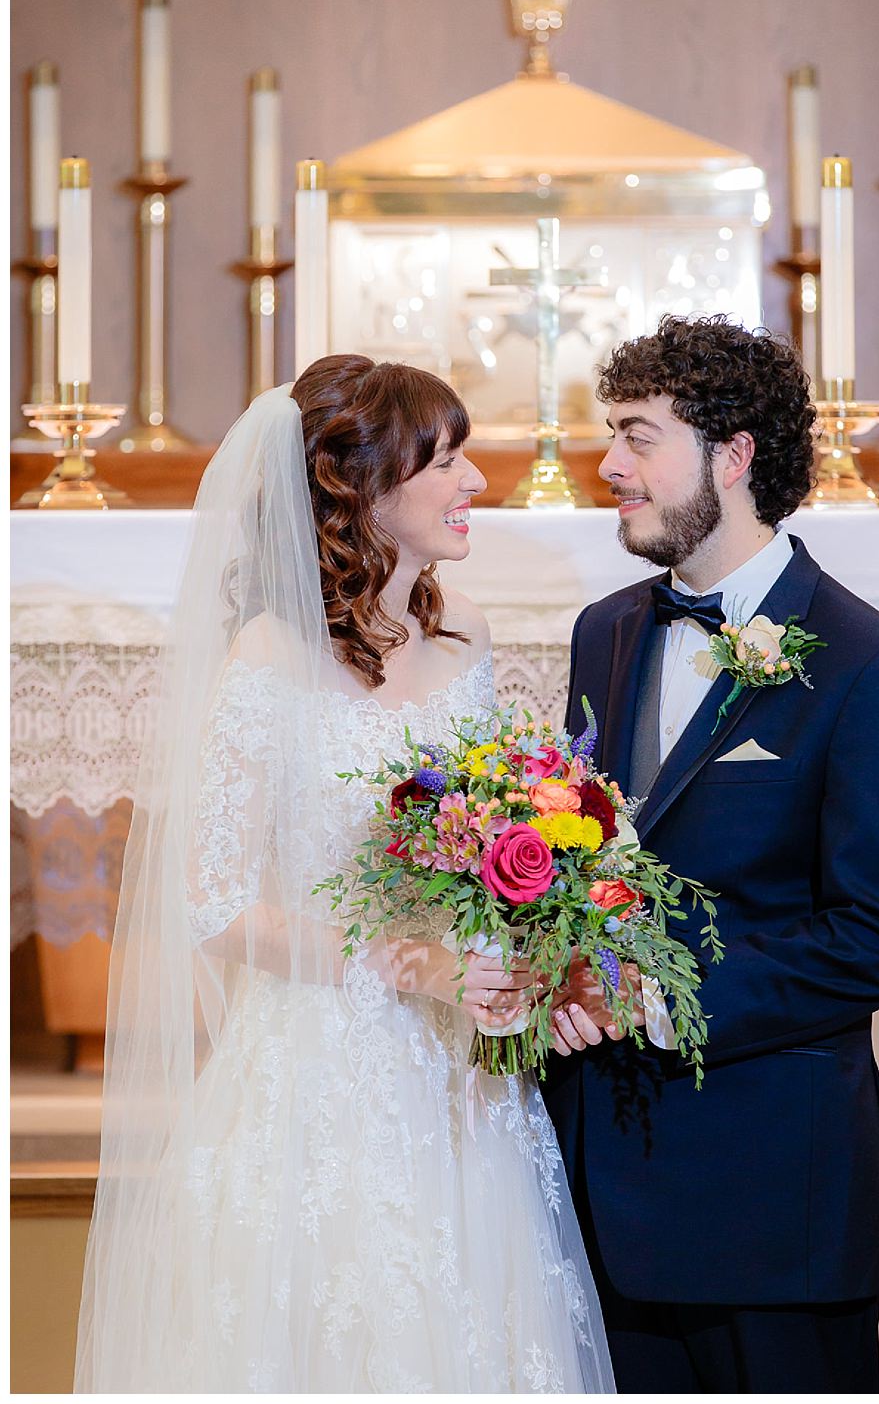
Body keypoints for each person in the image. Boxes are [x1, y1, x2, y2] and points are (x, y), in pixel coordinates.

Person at [75, 358, 613, 1391]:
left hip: (463, 1071)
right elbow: (214, 895)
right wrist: (409, 965)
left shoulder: (467, 642)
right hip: (322, 1067)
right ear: (362, 488)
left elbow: (501, 843)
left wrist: (522, 956)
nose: (476, 485)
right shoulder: (269, 658)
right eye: (448, 462)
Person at [542, 314, 879, 1393]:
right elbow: (585, 851)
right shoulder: (607, 630)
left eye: (638, 436)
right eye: (611, 435)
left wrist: (666, 1000)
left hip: (772, 1194)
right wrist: (564, 972)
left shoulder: (869, 664)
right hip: (597, 1169)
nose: (609, 465)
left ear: (733, 455)